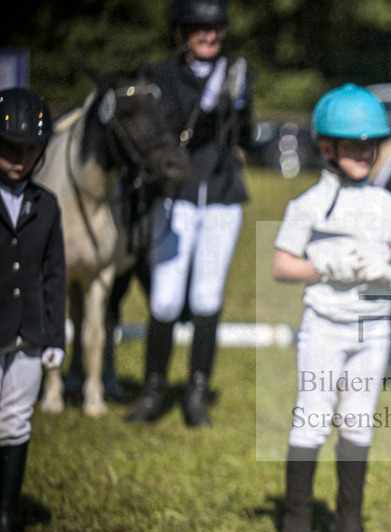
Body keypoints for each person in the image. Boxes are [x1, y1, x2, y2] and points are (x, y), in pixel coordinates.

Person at [271, 84, 391, 532]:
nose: (364, 153)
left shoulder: (389, 205)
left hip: (372, 331)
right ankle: (295, 529)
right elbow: (281, 265)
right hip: (325, 328)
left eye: (370, 144)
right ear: (327, 148)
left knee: (358, 423)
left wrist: (386, 272)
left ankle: (348, 525)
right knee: (313, 420)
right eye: (353, 145)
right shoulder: (308, 205)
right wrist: (323, 267)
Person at [125, 0, 255, 427]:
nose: (209, 35)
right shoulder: (161, 75)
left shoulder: (236, 73)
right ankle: (153, 391)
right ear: (183, 31)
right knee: (164, 299)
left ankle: (196, 394)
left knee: (206, 298)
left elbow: (247, 138)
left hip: (221, 195)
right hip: (176, 195)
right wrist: (211, 97)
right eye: (200, 28)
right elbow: (168, 129)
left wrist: (238, 103)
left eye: (215, 28)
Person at [0, 87, 65, 532]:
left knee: (16, 422)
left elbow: (54, 273)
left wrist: (55, 334)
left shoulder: (46, 204)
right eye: (9, 149)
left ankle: (5, 517)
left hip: (28, 333)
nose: (19, 160)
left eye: (30, 150)